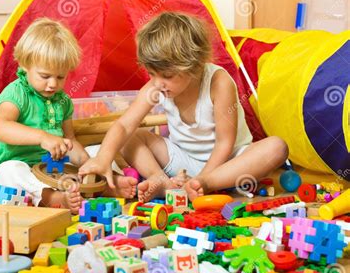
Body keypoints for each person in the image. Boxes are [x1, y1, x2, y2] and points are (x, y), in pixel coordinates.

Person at [79, 12, 288, 202]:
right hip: (183, 160)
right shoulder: (157, 87)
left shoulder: (218, 83)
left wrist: (203, 178)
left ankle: (205, 185)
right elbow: (124, 125)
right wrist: (103, 159)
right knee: (130, 137)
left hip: (229, 163)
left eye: (167, 76)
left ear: (194, 66)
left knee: (276, 147)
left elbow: (225, 143)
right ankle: (160, 180)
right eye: (152, 74)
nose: (158, 82)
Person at [0, 18, 137, 213]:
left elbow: (69, 140)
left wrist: (87, 162)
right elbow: (1, 128)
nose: (53, 84)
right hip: (19, 172)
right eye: (45, 76)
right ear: (24, 65)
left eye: (60, 77)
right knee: (8, 171)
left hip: (51, 170)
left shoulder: (62, 101)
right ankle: (51, 198)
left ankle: (107, 183)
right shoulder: (15, 94)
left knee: (97, 151)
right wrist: (42, 137)